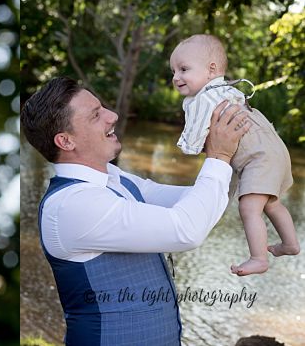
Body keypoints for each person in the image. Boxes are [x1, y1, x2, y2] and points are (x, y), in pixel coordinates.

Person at [21, 76, 250, 345]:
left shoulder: (117, 179)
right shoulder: (71, 206)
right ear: (65, 141)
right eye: (96, 115)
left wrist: (247, 166)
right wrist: (219, 157)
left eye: (102, 107)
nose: (113, 115)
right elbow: (186, 230)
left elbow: (199, 202)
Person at [170, 34, 299, 276]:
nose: (176, 77)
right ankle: (290, 244)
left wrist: (188, 147)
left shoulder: (203, 98)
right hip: (274, 148)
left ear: (211, 70)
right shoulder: (228, 90)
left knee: (249, 208)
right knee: (271, 202)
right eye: (174, 71)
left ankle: (258, 258)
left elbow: (195, 134)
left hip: (257, 157)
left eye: (184, 69)